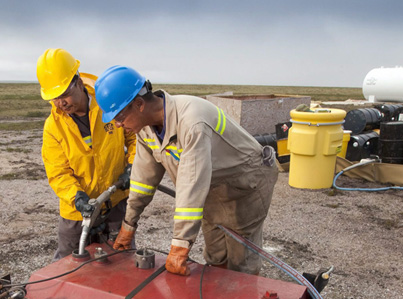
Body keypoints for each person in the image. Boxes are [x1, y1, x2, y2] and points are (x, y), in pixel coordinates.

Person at [94, 65, 278, 276]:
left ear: (139, 104)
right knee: (216, 257)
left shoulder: (192, 121)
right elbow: (142, 181)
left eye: (119, 117)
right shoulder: (144, 129)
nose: (117, 125)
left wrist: (180, 247)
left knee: (240, 263)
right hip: (212, 187)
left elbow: (191, 187)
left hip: (245, 185)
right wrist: (129, 225)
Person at [37, 49, 136, 260]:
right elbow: (58, 172)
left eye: (64, 94)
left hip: (115, 201)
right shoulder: (53, 127)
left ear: (79, 82)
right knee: (67, 265)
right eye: (54, 98)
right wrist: (76, 197)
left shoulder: (107, 104)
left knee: (122, 259)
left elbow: (135, 137)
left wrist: (133, 167)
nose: (60, 103)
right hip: (76, 211)